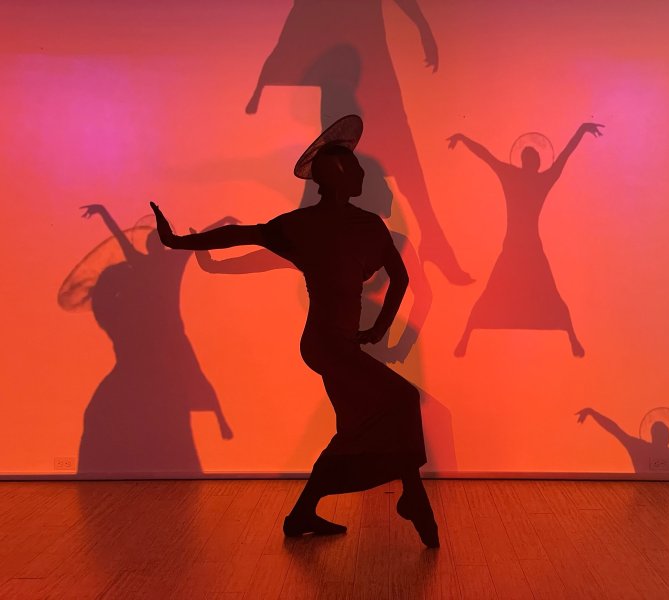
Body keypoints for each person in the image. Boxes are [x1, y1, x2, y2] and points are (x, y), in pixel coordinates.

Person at [149, 115, 439, 547]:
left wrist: (378, 328)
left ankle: (303, 513)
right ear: (338, 174)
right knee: (400, 398)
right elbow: (240, 234)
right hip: (324, 344)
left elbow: (401, 279)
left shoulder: (365, 225)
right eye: (356, 168)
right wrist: (178, 243)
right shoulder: (304, 226)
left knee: (355, 427)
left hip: (339, 343)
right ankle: (412, 497)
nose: (362, 174)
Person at [243, 0, 473, 286]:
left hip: (370, 64)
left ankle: (433, 239)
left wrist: (423, 28)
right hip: (341, 69)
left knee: (400, 147)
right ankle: (427, 241)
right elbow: (296, 23)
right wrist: (261, 86)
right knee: (341, 154)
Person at [76, 205, 234, 475]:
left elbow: (195, 240)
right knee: (190, 372)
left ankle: (220, 420)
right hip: (163, 338)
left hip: (169, 337)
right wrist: (104, 213)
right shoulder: (158, 261)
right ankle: (220, 420)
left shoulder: (159, 262)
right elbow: (193, 240)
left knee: (191, 373)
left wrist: (222, 221)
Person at [447, 123, 603, 357]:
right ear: (530, 162)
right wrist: (463, 137)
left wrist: (581, 131)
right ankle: (464, 339)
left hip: (524, 248)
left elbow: (562, 156)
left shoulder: (522, 178)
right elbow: (487, 155)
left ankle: (572, 338)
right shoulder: (529, 179)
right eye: (534, 159)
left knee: (544, 292)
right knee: (499, 292)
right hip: (519, 248)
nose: (536, 163)